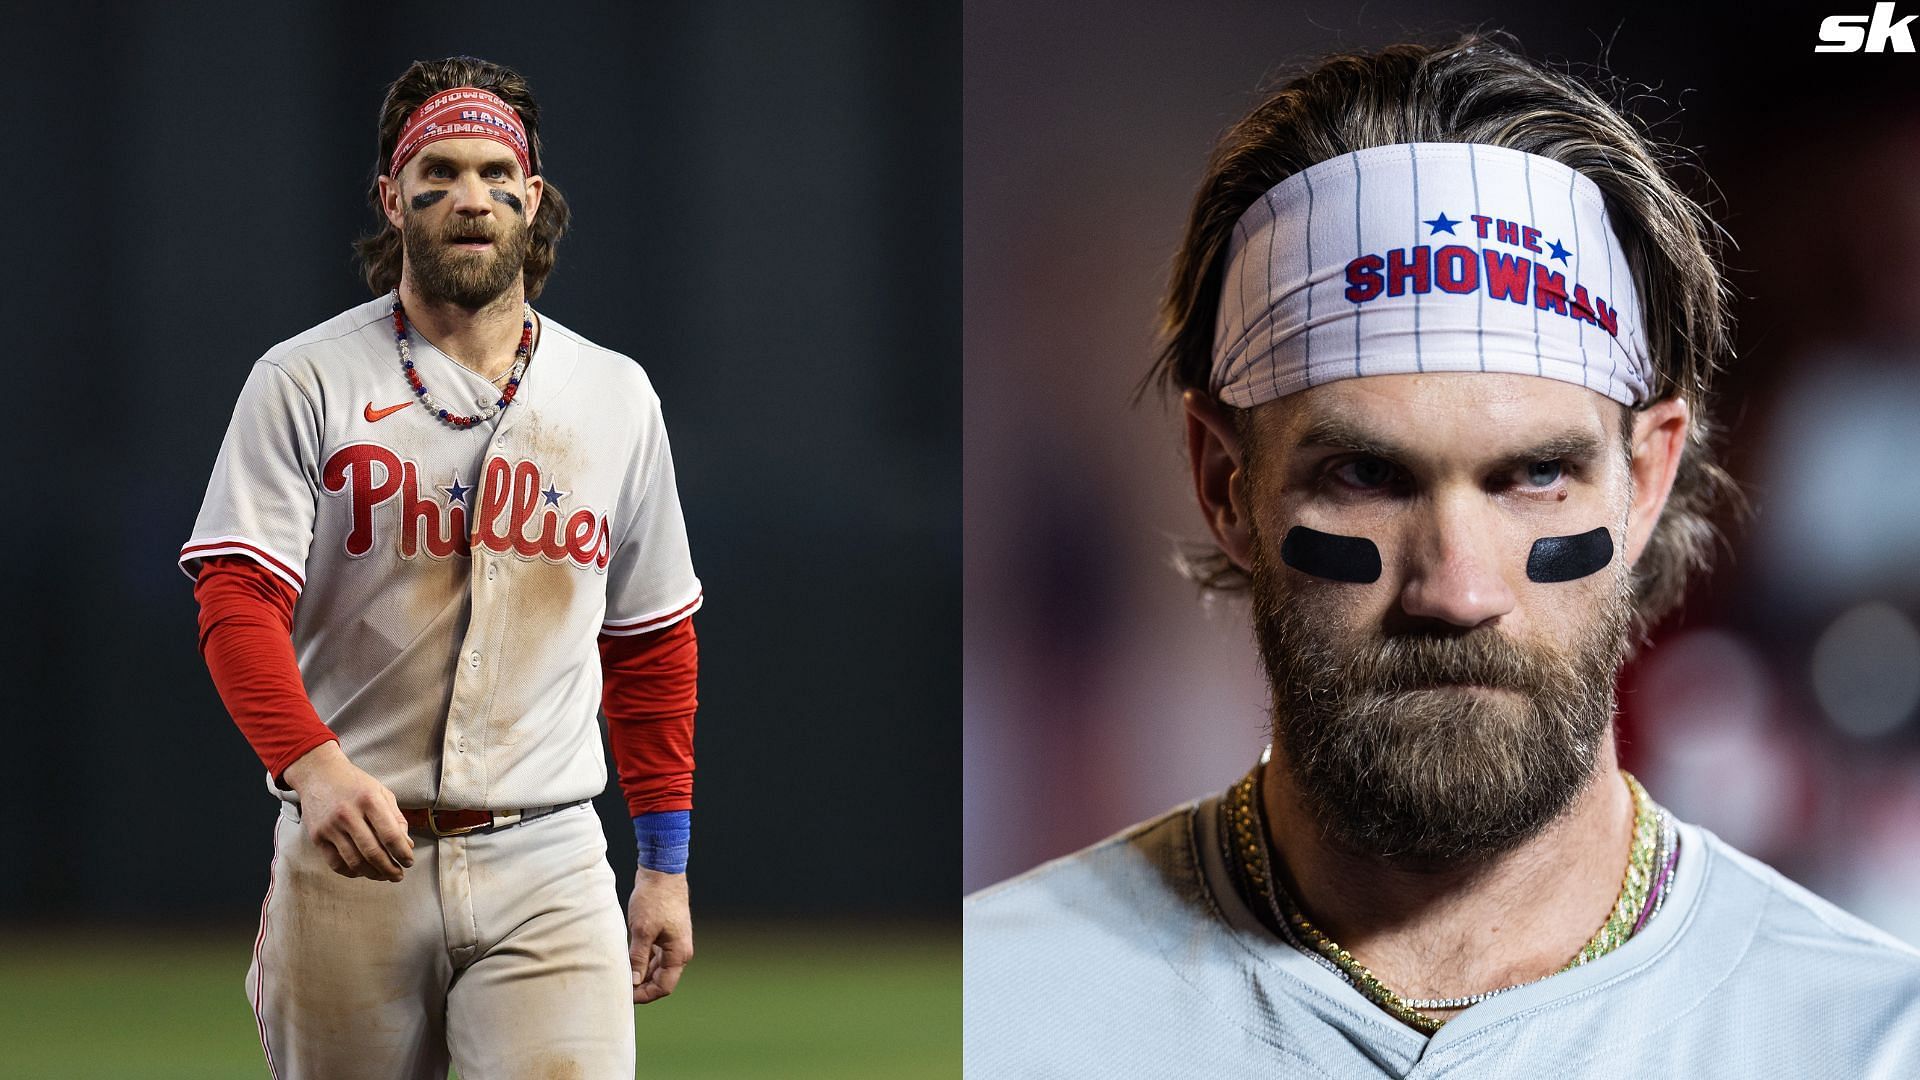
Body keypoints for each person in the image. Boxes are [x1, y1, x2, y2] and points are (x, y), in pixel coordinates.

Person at [965, 36, 1920, 1076]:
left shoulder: (1873, 1042)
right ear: (1224, 482)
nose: (1456, 589)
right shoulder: (990, 1019)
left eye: (1534, 475)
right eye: (1366, 477)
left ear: (1645, 482)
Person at [180, 56, 702, 1079]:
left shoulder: (614, 397)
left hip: (548, 850)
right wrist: (311, 764)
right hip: (350, 854)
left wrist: (666, 867)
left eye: (496, 172)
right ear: (393, 196)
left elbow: (650, 645)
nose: (471, 195)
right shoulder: (306, 381)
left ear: (532, 197)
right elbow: (235, 597)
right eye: (440, 171)